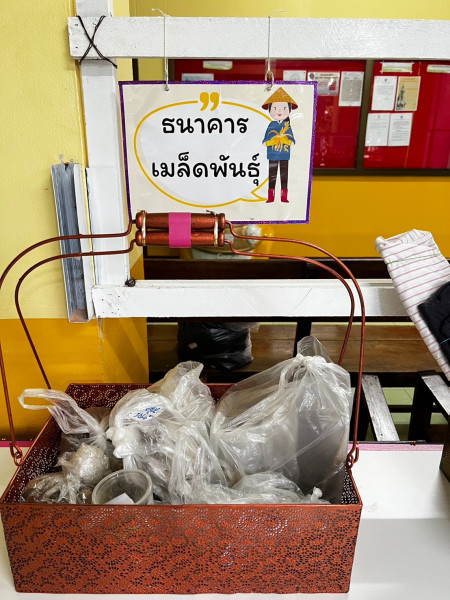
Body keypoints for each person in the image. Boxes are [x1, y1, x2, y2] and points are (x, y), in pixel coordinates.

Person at [262, 87, 297, 203]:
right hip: (272, 153)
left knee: (284, 175)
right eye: (275, 108)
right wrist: (272, 140)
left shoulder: (287, 125)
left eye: (284, 108)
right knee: (272, 174)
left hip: (284, 153)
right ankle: (271, 196)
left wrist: (285, 140)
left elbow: (291, 139)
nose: (279, 111)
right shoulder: (271, 124)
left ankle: (284, 196)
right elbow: (266, 139)